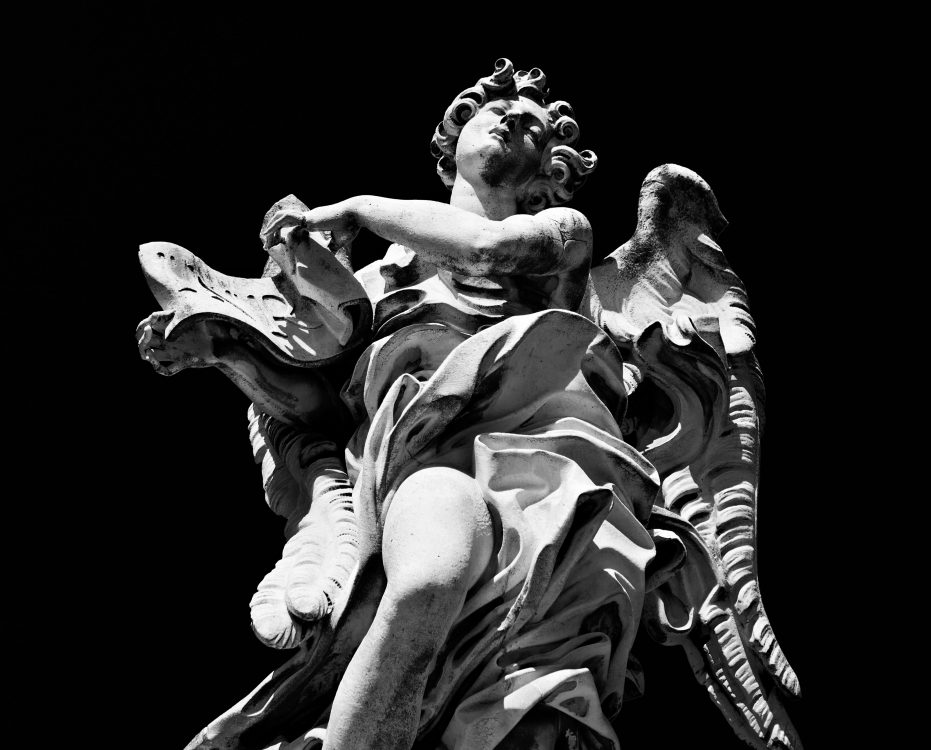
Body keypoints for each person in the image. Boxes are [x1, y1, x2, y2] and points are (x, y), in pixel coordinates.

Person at [142, 59, 659, 750]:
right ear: (450, 148)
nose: (510, 119)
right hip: (430, 463)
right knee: (425, 584)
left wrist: (358, 209)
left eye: (533, 127)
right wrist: (226, 349)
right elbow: (316, 413)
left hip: (560, 485)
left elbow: (485, 248)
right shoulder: (370, 283)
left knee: (532, 717)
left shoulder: (563, 234)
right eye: (491, 112)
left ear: (548, 172)